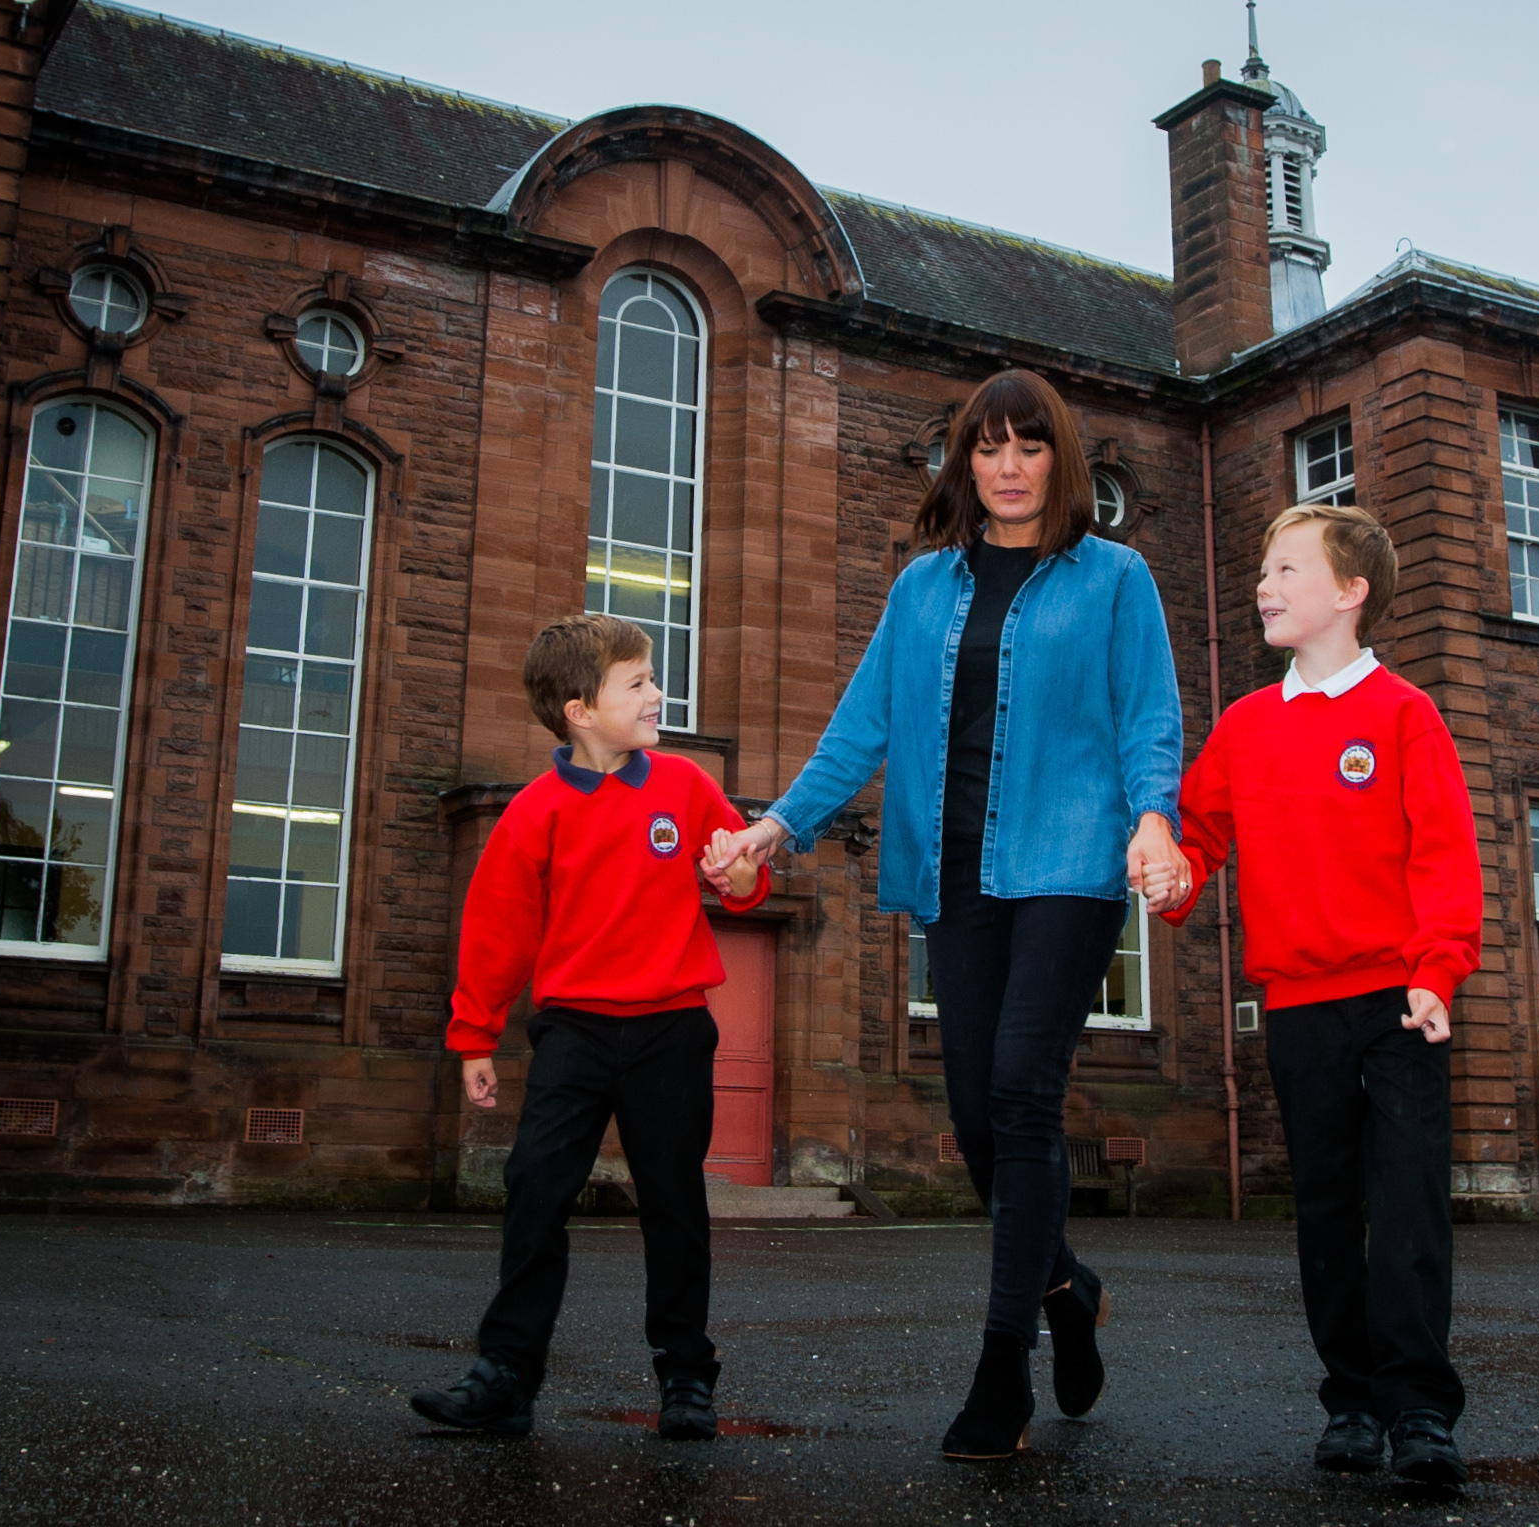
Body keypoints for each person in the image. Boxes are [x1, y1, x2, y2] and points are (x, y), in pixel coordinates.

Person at [706, 369, 1186, 1461]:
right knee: (976, 1112)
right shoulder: (922, 588)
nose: (1007, 466)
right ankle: (1066, 1283)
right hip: (954, 871)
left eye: (1028, 446)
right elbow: (861, 723)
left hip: (1068, 861)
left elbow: (1148, 714)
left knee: (1022, 1088)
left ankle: (999, 1363)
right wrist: (773, 827)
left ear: (1058, 459)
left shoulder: (1115, 577)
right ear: (963, 461)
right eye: (986, 447)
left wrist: (1153, 817)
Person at [1159, 503, 1482, 1489]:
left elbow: (1444, 854)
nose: (1265, 582)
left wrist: (1437, 971)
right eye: (1263, 566)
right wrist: (1169, 873)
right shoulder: (1247, 724)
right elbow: (1196, 833)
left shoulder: (1402, 714)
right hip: (1297, 1008)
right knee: (1326, 1211)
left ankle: (1420, 1407)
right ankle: (1349, 1396)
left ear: (1350, 592)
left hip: (1396, 1002)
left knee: (1410, 1205)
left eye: (1287, 567)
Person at [409, 613, 770, 1438]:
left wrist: (744, 869)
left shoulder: (682, 785)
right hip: (572, 1031)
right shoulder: (534, 811)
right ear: (579, 708)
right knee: (535, 1189)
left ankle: (686, 1376)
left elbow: (741, 879)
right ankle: (505, 1375)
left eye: (652, 678)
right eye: (637, 681)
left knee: (675, 1204)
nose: (656, 692)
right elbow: (496, 931)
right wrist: (472, 1037)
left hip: (672, 1029)